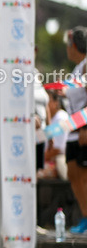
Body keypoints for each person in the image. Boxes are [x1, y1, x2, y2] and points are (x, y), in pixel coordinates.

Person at [61, 27, 87, 233]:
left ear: (75, 46)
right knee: (73, 173)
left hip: (83, 130)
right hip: (72, 129)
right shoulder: (78, 68)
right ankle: (85, 217)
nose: (66, 50)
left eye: (68, 45)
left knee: (83, 175)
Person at [40, 93, 69, 180]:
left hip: (58, 160)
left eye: (48, 100)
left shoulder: (61, 117)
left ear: (56, 102)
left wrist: (39, 159)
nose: (45, 104)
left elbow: (58, 149)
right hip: (48, 159)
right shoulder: (49, 119)